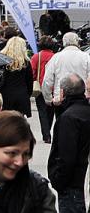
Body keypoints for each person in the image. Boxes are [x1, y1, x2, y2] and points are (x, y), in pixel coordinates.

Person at [47, 74, 90, 213]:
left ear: (63, 92)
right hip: (81, 181)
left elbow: (66, 156)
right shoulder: (83, 112)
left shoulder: (68, 118)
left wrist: (58, 180)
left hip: (72, 185)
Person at [43, 32, 90, 118]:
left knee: (62, 125)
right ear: (77, 42)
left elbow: (47, 80)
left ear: (64, 43)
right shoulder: (86, 57)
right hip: (82, 98)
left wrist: (48, 98)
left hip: (61, 98)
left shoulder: (56, 57)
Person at [0, 37, 33, 117]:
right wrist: (28, 94)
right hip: (21, 96)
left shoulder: (2, 61)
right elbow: (29, 81)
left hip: (5, 95)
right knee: (18, 123)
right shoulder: (26, 63)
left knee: (5, 121)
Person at [31, 36, 56, 143]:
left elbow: (32, 72)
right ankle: (48, 130)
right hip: (53, 87)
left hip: (40, 88)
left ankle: (46, 135)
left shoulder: (37, 57)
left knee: (42, 112)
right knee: (51, 111)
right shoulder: (55, 57)